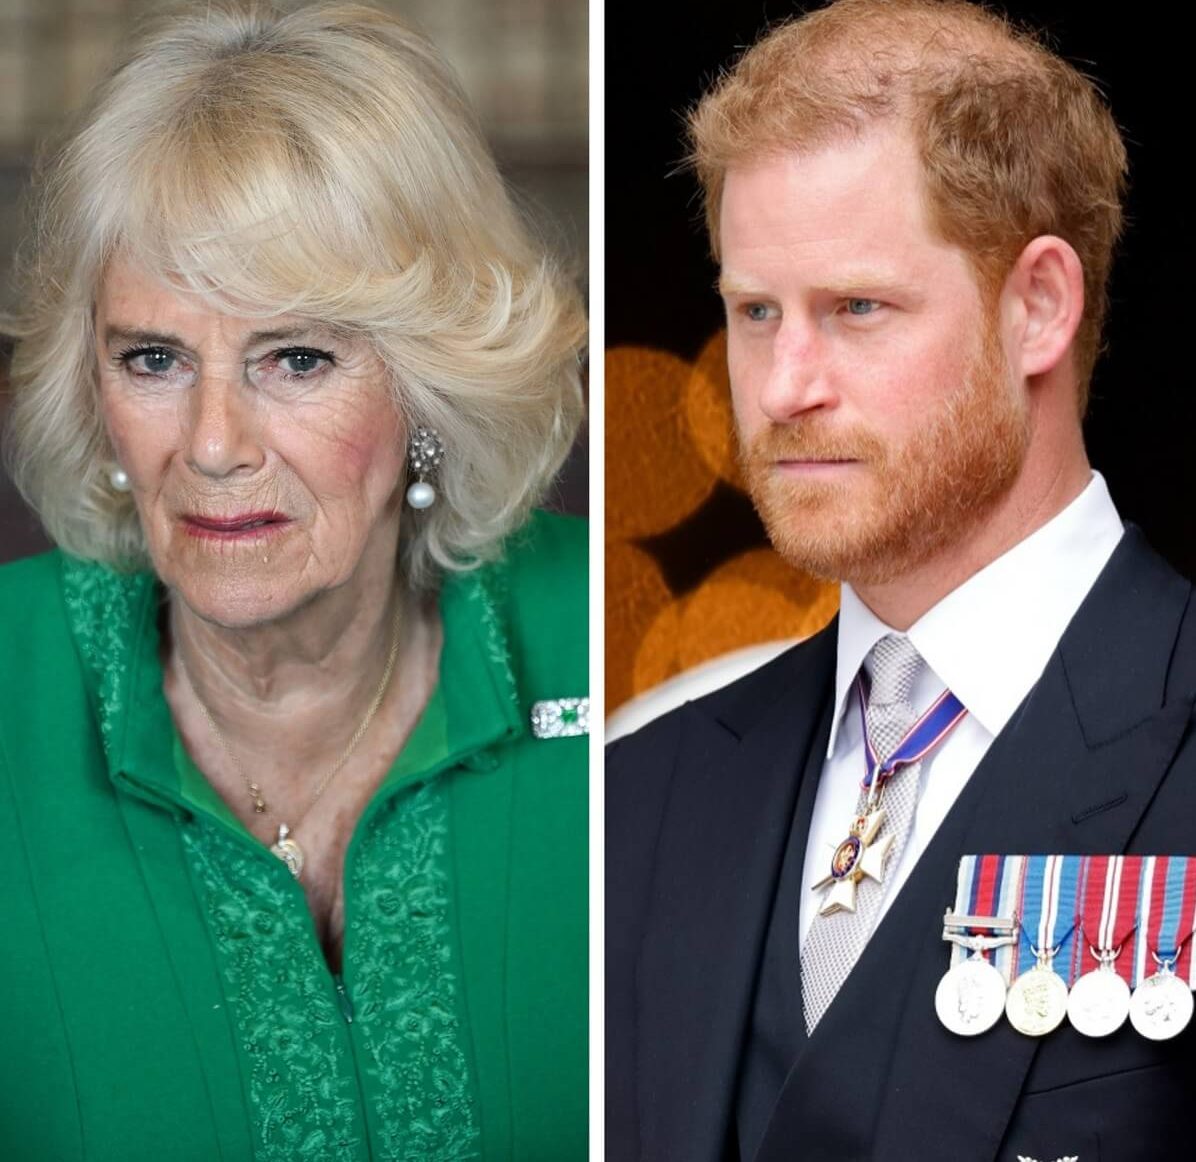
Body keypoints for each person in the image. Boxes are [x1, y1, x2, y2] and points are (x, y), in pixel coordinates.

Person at [606, 2, 1196, 1159]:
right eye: (754, 311)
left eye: (856, 308)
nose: (781, 386)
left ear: (1036, 306)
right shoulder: (638, 793)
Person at [0, 3, 587, 1159]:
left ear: (429, 383)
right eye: (153, 358)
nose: (213, 444)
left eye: (297, 357)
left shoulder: (620, 653)